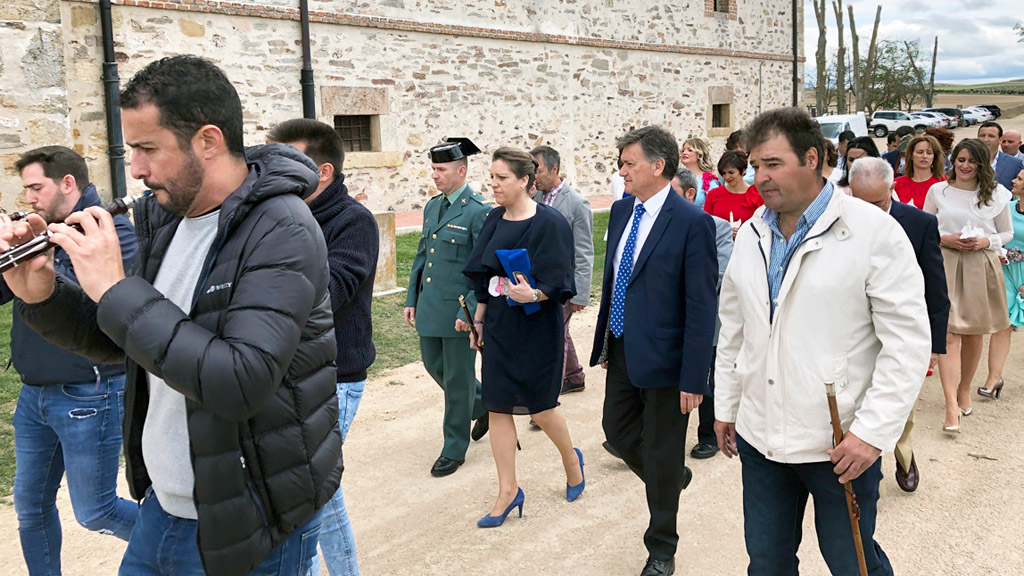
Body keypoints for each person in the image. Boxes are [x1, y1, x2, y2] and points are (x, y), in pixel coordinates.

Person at [0, 55, 341, 576]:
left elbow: (239, 380)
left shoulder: (283, 228)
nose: (135, 168)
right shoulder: (164, 214)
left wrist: (115, 288)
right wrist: (44, 294)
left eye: (147, 149)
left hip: (252, 520)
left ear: (207, 141)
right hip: (163, 506)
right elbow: (126, 340)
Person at [714, 107, 931, 576]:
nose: (760, 177)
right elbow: (734, 327)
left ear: (812, 158)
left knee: (852, 563)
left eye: (773, 164)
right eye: (755, 166)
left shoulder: (872, 232)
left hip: (839, 444)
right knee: (767, 564)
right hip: (761, 438)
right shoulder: (752, 234)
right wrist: (727, 406)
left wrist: (871, 434)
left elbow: (908, 344)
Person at [4, 146, 138, 575]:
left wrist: (44, 262)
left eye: (36, 187)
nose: (29, 199)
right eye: (25, 190)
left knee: (95, 510)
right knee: (30, 506)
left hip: (90, 392)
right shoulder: (35, 230)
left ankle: (192, 548)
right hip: (34, 395)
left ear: (67, 184)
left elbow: (109, 305)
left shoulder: (113, 231)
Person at [592, 126, 718, 576]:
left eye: (629, 163)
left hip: (669, 360)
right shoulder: (624, 211)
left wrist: (694, 378)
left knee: (664, 451)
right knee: (616, 430)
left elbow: (703, 306)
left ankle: (661, 549)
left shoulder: (692, 223)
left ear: (658, 167)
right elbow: (615, 281)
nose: (621, 171)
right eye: (621, 163)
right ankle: (670, 481)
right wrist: (607, 339)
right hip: (624, 349)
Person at [267, 118, 379, 576]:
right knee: (312, 491)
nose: (272, 173)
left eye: (286, 161)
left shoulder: (354, 222)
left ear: (324, 172)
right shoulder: (284, 214)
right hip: (288, 377)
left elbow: (327, 296)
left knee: (313, 493)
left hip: (337, 379)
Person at [460, 147, 584, 527]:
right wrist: (477, 321)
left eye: (501, 178)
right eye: (492, 177)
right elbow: (483, 278)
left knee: (541, 407)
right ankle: (508, 491)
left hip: (537, 327)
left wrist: (534, 294)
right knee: (497, 405)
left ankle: (571, 461)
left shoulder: (551, 223)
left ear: (525, 181)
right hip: (499, 325)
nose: (493, 184)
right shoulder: (494, 219)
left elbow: (561, 280)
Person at [849, 157, 950, 493]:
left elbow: (935, 288)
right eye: (860, 203)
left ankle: (904, 455)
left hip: (902, 331)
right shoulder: (837, 220)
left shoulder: (919, 223)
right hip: (855, 331)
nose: (869, 212)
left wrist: (934, 345)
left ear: (892, 189)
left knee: (899, 402)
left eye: (877, 203)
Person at [405, 138, 491, 477]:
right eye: (433, 169)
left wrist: (469, 312)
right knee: (433, 365)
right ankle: (483, 403)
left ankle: (454, 448)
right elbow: (422, 257)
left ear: (461, 170)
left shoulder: (478, 210)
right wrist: (412, 299)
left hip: (459, 311)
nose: (434, 175)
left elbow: (482, 269)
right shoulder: (432, 206)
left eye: (440, 170)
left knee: (457, 380)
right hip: (430, 305)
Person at [923, 138, 1012, 432]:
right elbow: (927, 226)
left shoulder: (997, 194)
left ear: (981, 164)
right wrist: (943, 239)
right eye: (960, 160)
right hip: (946, 262)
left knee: (974, 334)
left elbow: (1007, 232)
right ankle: (951, 405)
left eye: (971, 161)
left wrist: (987, 241)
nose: (965, 166)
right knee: (948, 332)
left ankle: (964, 389)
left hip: (980, 264)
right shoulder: (939, 190)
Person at [671, 167, 733, 461]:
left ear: (690, 194)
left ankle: (708, 435)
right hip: (668, 319)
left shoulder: (717, 227)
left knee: (709, 375)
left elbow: (718, 273)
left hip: (707, 317)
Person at [530, 146, 593, 395]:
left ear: (554, 169)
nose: (535, 176)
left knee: (554, 335)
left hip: (563, 284)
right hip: (537, 282)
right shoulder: (533, 197)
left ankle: (549, 398)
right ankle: (575, 376)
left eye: (540, 171)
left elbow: (584, 251)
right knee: (558, 329)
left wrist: (580, 294)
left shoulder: (578, 204)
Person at [703, 150, 763, 229]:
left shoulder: (757, 195)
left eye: (731, 172)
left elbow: (762, 225)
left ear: (744, 170)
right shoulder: (713, 194)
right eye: (724, 173)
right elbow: (706, 225)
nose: (727, 177)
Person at [893, 134, 946, 210]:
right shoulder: (897, 184)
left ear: (934, 157)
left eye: (929, 153)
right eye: (920, 152)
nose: (924, 156)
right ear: (911, 155)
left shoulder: (944, 183)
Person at [977, 121, 1024, 190]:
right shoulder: (968, 161)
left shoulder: (1014, 163)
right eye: (982, 135)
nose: (986, 139)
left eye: (991, 136)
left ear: (1000, 140)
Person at [679, 137, 721, 207]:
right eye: (683, 150)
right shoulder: (677, 178)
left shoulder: (709, 181)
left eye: (689, 150)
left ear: (699, 154)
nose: (684, 153)